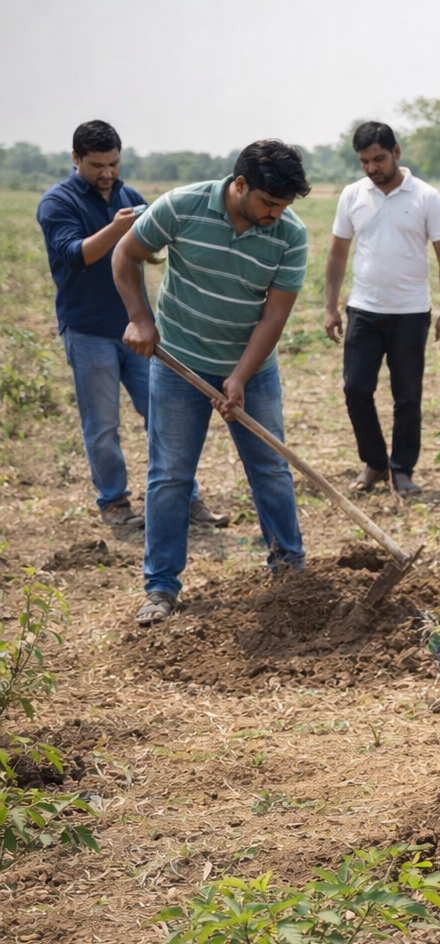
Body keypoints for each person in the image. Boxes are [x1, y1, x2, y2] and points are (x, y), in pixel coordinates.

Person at [113, 140, 311, 627]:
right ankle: (161, 587)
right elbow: (125, 253)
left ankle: (291, 570)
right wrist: (140, 318)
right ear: (239, 184)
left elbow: (275, 315)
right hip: (179, 362)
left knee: (270, 468)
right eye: (268, 203)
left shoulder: (289, 234)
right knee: (170, 475)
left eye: (283, 206)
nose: (275, 215)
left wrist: (239, 376)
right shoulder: (182, 206)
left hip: (251, 369)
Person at [36, 120, 222, 530]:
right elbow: (74, 255)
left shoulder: (129, 196)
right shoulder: (57, 202)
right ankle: (116, 505)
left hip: (139, 331)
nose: (106, 173)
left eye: (113, 163)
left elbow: (146, 249)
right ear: (76, 159)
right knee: (102, 425)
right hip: (88, 331)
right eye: (97, 165)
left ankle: (186, 499)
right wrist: (118, 229)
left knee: (163, 415)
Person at [324, 121, 440, 496]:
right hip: (363, 310)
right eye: (364, 161)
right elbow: (337, 254)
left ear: (396, 152)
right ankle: (375, 463)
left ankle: (402, 469)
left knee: (407, 396)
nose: (372, 168)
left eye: (378, 159)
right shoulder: (352, 195)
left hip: (411, 313)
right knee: (356, 389)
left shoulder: (426, 197)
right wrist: (331, 307)